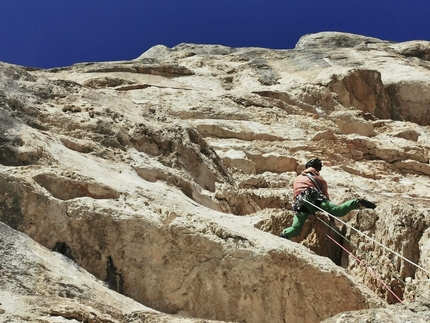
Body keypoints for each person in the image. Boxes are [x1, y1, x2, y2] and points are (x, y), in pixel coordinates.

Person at [280, 158, 376, 240]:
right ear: (318, 169)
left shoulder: (298, 178)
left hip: (300, 204)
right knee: (338, 211)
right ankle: (357, 202)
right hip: (315, 199)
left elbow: (295, 195)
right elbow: (326, 198)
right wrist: (331, 218)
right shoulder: (320, 179)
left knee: (296, 229)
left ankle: (283, 235)